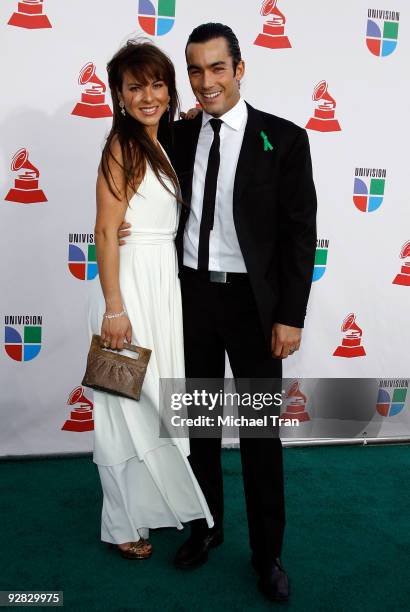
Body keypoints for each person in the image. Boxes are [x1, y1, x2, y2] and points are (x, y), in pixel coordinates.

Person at [119, 23, 317, 601]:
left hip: (256, 310)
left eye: (217, 69)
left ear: (239, 67)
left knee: (259, 436)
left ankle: (268, 553)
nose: (205, 83)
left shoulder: (283, 140)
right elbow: (146, 198)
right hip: (191, 300)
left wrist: (290, 315)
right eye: (196, 71)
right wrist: (125, 230)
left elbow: (300, 237)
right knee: (199, 429)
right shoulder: (176, 138)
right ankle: (205, 529)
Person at [88, 40, 213, 561]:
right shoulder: (122, 145)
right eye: (135, 86)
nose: (148, 95)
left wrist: (188, 115)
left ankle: (148, 508)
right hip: (129, 289)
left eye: (157, 84)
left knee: (154, 405)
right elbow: (104, 229)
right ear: (118, 94)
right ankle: (119, 524)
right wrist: (115, 308)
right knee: (119, 410)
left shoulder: (160, 141)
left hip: (163, 284)